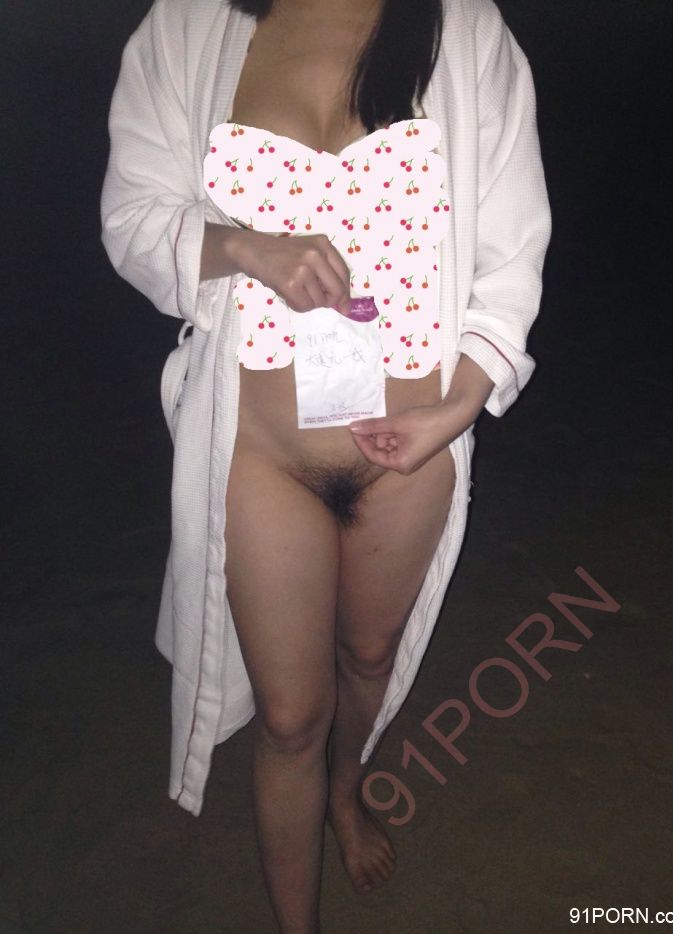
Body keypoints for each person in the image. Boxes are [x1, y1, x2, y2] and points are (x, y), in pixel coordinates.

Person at [100, 0, 551, 930]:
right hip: (265, 455)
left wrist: (459, 405)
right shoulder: (187, 25)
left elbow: (512, 249)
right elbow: (132, 215)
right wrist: (244, 247)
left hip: (412, 452)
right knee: (290, 718)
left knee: (369, 656)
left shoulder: (465, 29)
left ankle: (347, 791)